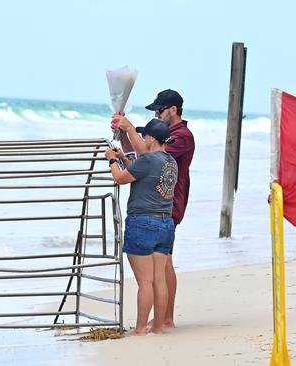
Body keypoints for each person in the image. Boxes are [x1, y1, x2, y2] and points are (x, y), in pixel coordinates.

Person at [111, 89, 195, 328]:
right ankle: (160, 319)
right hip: (160, 204)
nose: (157, 115)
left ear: (173, 110)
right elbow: (139, 156)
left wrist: (129, 129)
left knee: (163, 265)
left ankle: (165, 318)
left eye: (160, 110)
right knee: (162, 265)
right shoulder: (165, 135)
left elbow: (148, 155)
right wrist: (124, 131)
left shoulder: (181, 136)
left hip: (166, 203)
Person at [104, 118, 178, 335]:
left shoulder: (148, 160)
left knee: (145, 282)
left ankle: (139, 329)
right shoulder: (170, 161)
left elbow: (120, 179)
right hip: (165, 223)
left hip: (143, 223)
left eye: (144, 136)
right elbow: (143, 175)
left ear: (152, 139)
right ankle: (157, 327)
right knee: (159, 280)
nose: (142, 139)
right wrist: (124, 160)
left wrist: (111, 161)